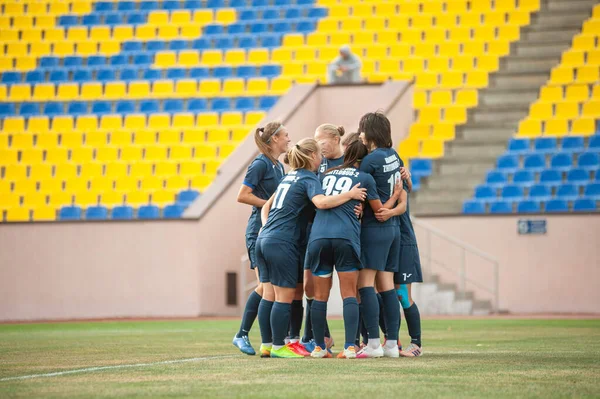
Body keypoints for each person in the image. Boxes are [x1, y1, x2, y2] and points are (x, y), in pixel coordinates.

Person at [256, 138, 367, 358]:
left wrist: (266, 228)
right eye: (319, 155)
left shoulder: (288, 176)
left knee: (268, 293)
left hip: (265, 237)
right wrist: (351, 195)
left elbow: (267, 206)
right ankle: (279, 346)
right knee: (284, 297)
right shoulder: (309, 178)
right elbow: (321, 203)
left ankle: (267, 344)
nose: (321, 159)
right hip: (282, 242)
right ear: (313, 157)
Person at [305, 139, 404, 359]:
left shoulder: (325, 174)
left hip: (319, 237)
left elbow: (318, 202)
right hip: (346, 238)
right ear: (363, 159)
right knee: (349, 293)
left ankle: (320, 347)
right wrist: (397, 195)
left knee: (319, 296)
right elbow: (378, 211)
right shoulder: (364, 177)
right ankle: (350, 346)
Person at [232, 121, 289, 356]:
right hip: (259, 230)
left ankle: (251, 337)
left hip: (270, 229)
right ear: (274, 138)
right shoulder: (260, 164)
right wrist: (270, 205)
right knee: (267, 288)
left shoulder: (278, 166)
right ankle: (250, 337)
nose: (288, 139)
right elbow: (242, 195)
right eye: (286, 135)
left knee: (265, 287)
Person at [356, 111, 407, 359]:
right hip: (393, 228)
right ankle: (392, 344)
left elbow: (368, 199)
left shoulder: (370, 161)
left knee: (364, 284)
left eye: (362, 130)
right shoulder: (394, 156)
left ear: (370, 132)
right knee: (386, 286)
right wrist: (395, 202)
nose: (360, 135)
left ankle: (373, 344)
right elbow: (404, 188)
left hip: (374, 227)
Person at [300, 124, 346, 352]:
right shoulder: (317, 164)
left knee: (352, 289)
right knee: (311, 287)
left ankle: (360, 341)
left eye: (323, 142)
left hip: (344, 233)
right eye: (316, 143)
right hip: (315, 232)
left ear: (336, 139)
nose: (319, 147)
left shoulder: (351, 162)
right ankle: (319, 337)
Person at [376, 166, 424, 357]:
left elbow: (405, 195)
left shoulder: (393, 172)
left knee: (402, 294)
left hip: (403, 240)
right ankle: (391, 338)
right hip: (383, 241)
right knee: (379, 294)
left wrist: (407, 181)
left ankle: (416, 344)